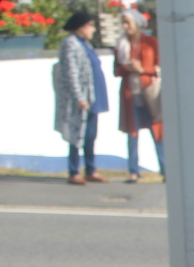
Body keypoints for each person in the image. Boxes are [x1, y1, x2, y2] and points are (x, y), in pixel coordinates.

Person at [54, 12, 110, 185]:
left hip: (93, 96)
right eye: (91, 26)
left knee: (90, 135)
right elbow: (71, 73)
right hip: (80, 100)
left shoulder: (86, 44)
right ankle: (74, 171)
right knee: (76, 135)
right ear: (81, 27)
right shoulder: (70, 44)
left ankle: (90, 169)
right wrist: (79, 97)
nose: (93, 30)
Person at [115, 9, 164, 183]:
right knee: (132, 133)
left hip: (149, 93)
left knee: (157, 131)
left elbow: (159, 67)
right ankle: (133, 171)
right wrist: (127, 68)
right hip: (130, 94)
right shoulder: (121, 44)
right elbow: (116, 70)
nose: (126, 26)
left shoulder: (150, 42)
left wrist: (142, 69)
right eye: (124, 23)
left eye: (128, 22)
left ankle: (165, 169)